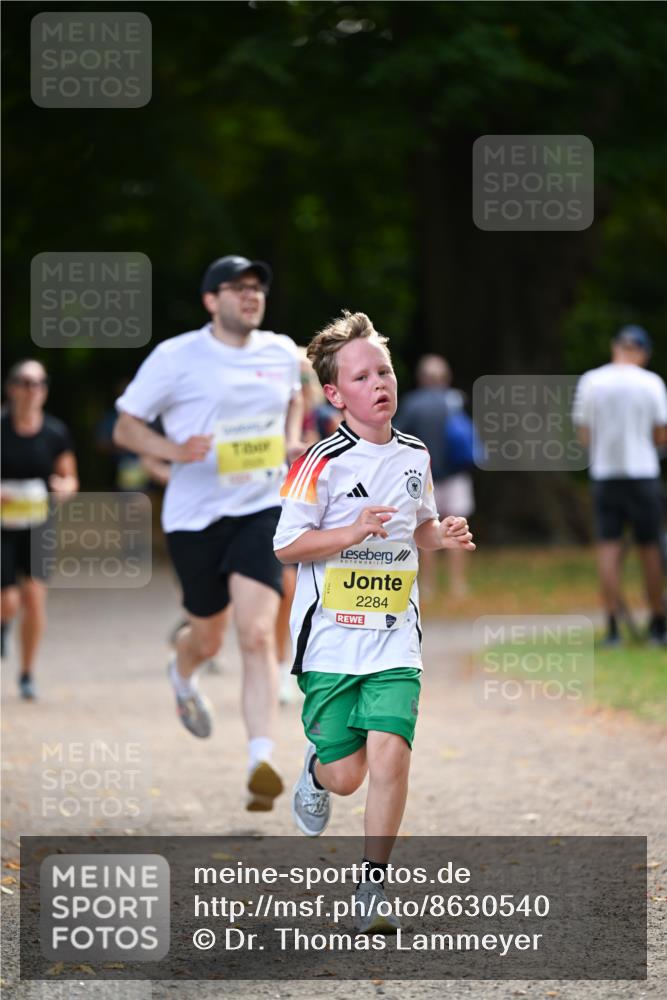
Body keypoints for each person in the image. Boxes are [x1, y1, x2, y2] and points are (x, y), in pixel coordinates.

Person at [274, 311, 474, 932]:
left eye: (383, 371)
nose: (379, 383)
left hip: (393, 637)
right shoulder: (319, 461)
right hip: (330, 642)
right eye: (362, 377)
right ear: (335, 394)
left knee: (391, 758)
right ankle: (314, 767)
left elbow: (418, 526)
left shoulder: (416, 454)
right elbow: (286, 546)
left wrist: (439, 535)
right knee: (346, 776)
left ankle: (372, 890)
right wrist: (350, 531)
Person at [113, 255, 305, 810]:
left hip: (261, 506)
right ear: (210, 300)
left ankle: (261, 759)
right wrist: (172, 450)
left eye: (258, 288)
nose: (251, 296)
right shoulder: (176, 357)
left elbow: (296, 396)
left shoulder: (279, 351)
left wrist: (291, 438)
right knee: (208, 637)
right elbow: (127, 424)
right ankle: (182, 672)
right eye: (238, 287)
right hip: (194, 517)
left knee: (259, 634)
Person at [572, 325, 667, 646]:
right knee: (650, 548)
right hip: (643, 473)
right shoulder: (651, 382)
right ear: (642, 352)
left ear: (615, 348)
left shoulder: (592, 380)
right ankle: (657, 623)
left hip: (605, 474)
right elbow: (660, 434)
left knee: (608, 550)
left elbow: (584, 434)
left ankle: (612, 628)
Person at [1, 359, 79, 698]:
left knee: (34, 599)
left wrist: (65, 487)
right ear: (11, 388)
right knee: (8, 600)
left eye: (40, 383)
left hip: (37, 524)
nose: (33, 389)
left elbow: (70, 476)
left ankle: (27, 673)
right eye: (25, 382)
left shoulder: (55, 432)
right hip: (2, 525)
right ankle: (4, 623)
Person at [396, 354, 476, 598]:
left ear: (421, 378)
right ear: (446, 378)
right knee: (459, 530)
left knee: (425, 527)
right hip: (456, 475)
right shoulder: (457, 400)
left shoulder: (412, 404)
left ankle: (428, 587)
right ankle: (458, 586)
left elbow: (398, 438)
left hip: (422, 478)